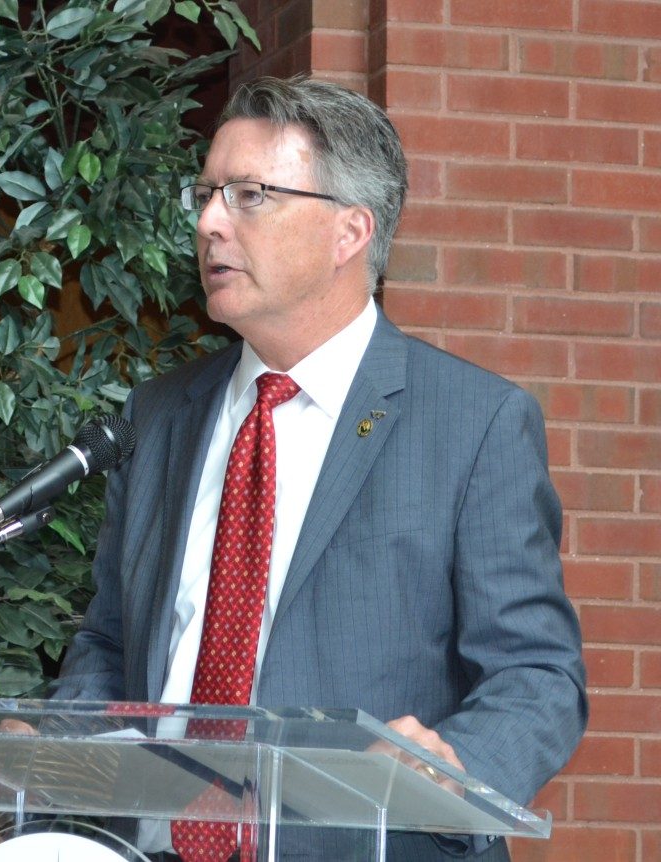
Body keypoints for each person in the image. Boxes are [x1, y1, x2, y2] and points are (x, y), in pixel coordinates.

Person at [52, 77, 587, 860]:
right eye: (205, 195)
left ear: (349, 233)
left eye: (249, 196)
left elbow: (538, 674)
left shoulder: (474, 424)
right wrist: (57, 749)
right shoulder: (161, 413)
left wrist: (457, 765)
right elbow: (110, 642)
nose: (208, 224)